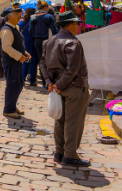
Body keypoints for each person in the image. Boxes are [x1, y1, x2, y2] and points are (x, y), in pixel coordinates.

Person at [40, 11, 90, 167]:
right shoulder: (72, 42)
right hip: (73, 87)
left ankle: (60, 151)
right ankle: (70, 154)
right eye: (77, 24)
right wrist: (58, 85)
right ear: (73, 24)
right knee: (73, 121)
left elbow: (42, 63)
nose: (77, 27)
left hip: (57, 87)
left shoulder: (49, 41)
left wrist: (50, 82)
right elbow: (72, 69)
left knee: (60, 120)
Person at [0, 7, 30, 119]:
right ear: (9, 16)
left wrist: (24, 53)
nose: (19, 15)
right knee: (13, 86)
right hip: (11, 62)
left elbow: (16, 44)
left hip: (16, 61)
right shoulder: (7, 30)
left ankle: (12, 105)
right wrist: (19, 56)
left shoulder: (14, 27)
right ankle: (8, 109)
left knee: (19, 85)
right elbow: (6, 47)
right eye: (16, 14)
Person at [31, 0, 59, 87]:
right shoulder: (49, 16)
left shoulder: (33, 17)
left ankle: (44, 83)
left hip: (37, 41)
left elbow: (30, 30)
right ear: (46, 8)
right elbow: (54, 30)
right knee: (49, 61)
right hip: (47, 40)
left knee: (41, 62)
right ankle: (50, 81)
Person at [19, 8, 38, 86]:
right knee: (33, 63)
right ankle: (32, 80)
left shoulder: (21, 23)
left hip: (24, 43)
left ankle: (23, 79)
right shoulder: (34, 23)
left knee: (25, 62)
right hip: (33, 43)